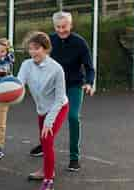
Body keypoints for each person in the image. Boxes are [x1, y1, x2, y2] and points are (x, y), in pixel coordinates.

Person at [29, 11, 95, 172]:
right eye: (57, 27)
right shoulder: (49, 41)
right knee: (44, 115)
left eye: (64, 26)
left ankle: (74, 158)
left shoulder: (79, 43)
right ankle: (45, 144)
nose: (61, 30)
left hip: (73, 86)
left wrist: (89, 83)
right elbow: (39, 58)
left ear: (70, 25)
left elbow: (89, 67)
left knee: (72, 117)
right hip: (53, 86)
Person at [17, 32, 69, 190]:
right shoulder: (26, 65)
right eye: (30, 49)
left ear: (46, 48)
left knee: (46, 140)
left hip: (58, 107)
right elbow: (19, 84)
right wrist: (8, 88)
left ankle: (48, 184)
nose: (33, 52)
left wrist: (49, 120)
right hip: (41, 108)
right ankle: (47, 170)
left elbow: (60, 99)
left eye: (37, 48)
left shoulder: (56, 69)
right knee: (44, 140)